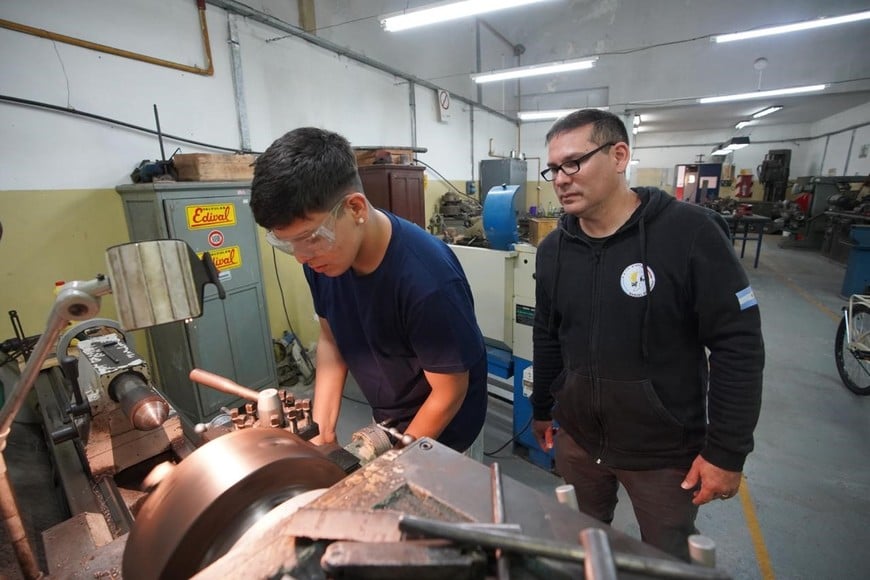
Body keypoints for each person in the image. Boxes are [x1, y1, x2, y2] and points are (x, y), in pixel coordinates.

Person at [530, 109, 764, 561]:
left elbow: (738, 345)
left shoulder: (690, 233)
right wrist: (542, 407)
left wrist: (726, 452)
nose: (560, 179)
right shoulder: (554, 250)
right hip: (580, 440)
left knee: (666, 561)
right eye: (554, 168)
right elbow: (547, 333)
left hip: (664, 452)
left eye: (574, 163)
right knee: (581, 548)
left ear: (619, 156)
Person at [249, 127, 487, 457]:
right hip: (388, 421)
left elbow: (449, 393)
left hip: (446, 438)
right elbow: (331, 340)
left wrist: (395, 461)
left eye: (309, 239)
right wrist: (322, 433)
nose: (301, 257)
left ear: (356, 209)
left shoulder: (428, 281)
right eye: (288, 244)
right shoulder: (323, 259)